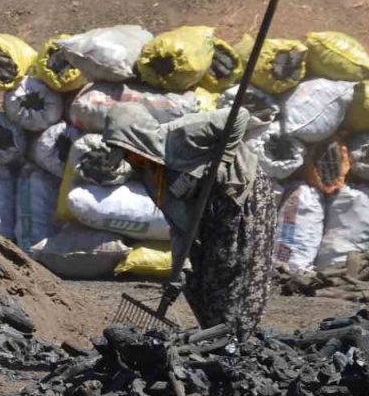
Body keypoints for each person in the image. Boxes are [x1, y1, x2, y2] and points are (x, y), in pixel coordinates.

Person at [102, 103, 278, 340]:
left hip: (240, 197)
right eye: (123, 155)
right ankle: (213, 335)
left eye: (127, 151)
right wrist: (179, 268)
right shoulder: (151, 175)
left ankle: (236, 338)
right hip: (209, 211)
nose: (129, 159)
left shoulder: (180, 134)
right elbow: (178, 223)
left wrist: (224, 159)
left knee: (232, 267)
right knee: (196, 280)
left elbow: (239, 116)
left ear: (137, 138)